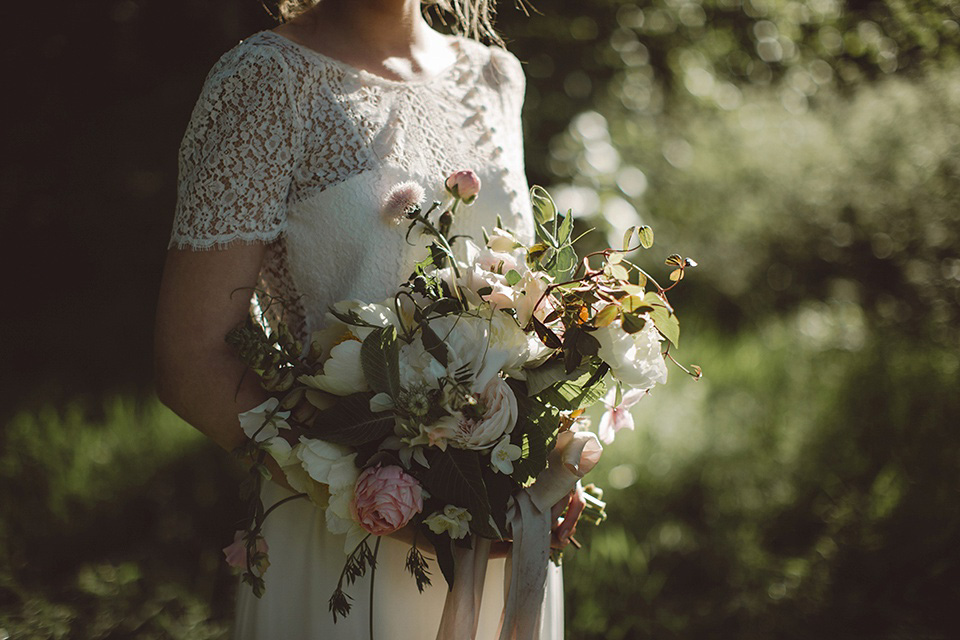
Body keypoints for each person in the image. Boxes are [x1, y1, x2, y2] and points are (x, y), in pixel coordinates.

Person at [154, 0, 584, 637]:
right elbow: (191, 360)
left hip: (502, 529)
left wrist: (554, 463)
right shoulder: (266, 80)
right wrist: (386, 499)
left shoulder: (495, 77)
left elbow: (523, 299)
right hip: (343, 533)